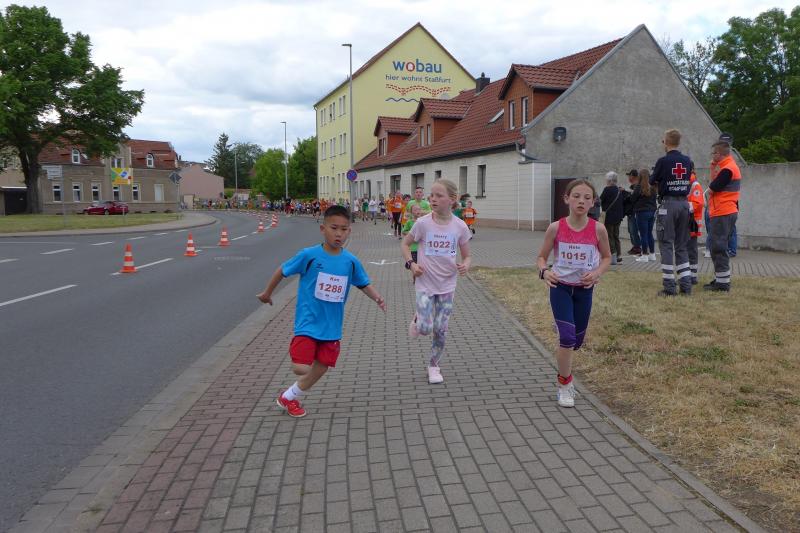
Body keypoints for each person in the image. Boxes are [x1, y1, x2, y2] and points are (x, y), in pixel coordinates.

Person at [256, 205, 386, 417]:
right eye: (334, 228)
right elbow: (283, 270)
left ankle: (288, 397)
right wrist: (267, 293)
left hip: (332, 326)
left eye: (344, 229)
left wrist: (377, 298)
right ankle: (298, 364)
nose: (339, 234)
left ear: (349, 231)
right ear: (323, 229)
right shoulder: (309, 255)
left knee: (323, 366)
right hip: (308, 322)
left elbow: (362, 283)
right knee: (301, 368)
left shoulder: (350, 261)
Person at [536, 179, 611, 408]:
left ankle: (564, 328)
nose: (581, 201)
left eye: (587, 198)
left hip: (584, 290)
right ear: (566, 199)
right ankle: (565, 384)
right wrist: (544, 272)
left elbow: (607, 257)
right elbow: (541, 257)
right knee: (567, 339)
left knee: (576, 341)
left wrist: (596, 273)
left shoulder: (598, 229)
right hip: (560, 287)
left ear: (593, 202)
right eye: (576, 196)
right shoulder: (556, 228)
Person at [402, 179, 472, 385]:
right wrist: (411, 264)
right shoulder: (423, 223)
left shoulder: (460, 226)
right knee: (425, 328)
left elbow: (467, 255)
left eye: (439, 195)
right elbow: (405, 244)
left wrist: (465, 265)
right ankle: (419, 319)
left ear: (452, 199)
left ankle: (434, 366)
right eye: (431, 195)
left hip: (447, 285)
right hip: (425, 282)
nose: (433, 199)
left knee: (441, 329)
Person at [650, 129, 693, 296]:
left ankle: (669, 287)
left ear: (666, 142)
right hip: (684, 204)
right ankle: (686, 286)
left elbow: (652, 180)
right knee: (682, 245)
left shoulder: (663, 161)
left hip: (668, 204)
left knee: (666, 244)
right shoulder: (687, 161)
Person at [705, 140, 741, 292]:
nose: (712, 155)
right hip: (726, 211)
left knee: (718, 247)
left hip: (722, 212)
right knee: (718, 246)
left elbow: (713, 187)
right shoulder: (728, 167)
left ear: (719, 154)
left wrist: (713, 167)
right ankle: (721, 279)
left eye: (713, 153)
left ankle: (723, 284)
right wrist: (713, 166)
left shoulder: (727, 169)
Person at [600, 171, 627, 265]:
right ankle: (619, 256)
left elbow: (600, 200)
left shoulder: (607, 189)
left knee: (609, 236)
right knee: (616, 236)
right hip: (618, 217)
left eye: (606, 180)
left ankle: (613, 257)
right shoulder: (619, 190)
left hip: (609, 217)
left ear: (609, 180)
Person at [631, 168, 658, 262]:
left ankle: (645, 255)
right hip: (652, 212)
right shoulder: (652, 188)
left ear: (640, 177)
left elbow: (632, 199)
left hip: (641, 212)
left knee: (643, 234)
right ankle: (652, 254)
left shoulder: (638, 188)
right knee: (649, 233)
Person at [687, 170, 705, 284]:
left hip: (692, 223)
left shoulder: (695, 185)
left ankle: (692, 276)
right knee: (686, 249)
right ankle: (687, 275)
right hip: (687, 221)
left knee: (691, 249)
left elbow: (698, 203)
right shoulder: (686, 183)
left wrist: (682, 207)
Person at [624, 170, 642, 255]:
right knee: (631, 230)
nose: (628, 178)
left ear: (633, 177)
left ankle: (637, 247)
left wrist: (626, 194)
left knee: (633, 230)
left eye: (629, 176)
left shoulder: (638, 186)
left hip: (634, 212)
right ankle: (635, 246)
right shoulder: (633, 187)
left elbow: (633, 198)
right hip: (631, 212)